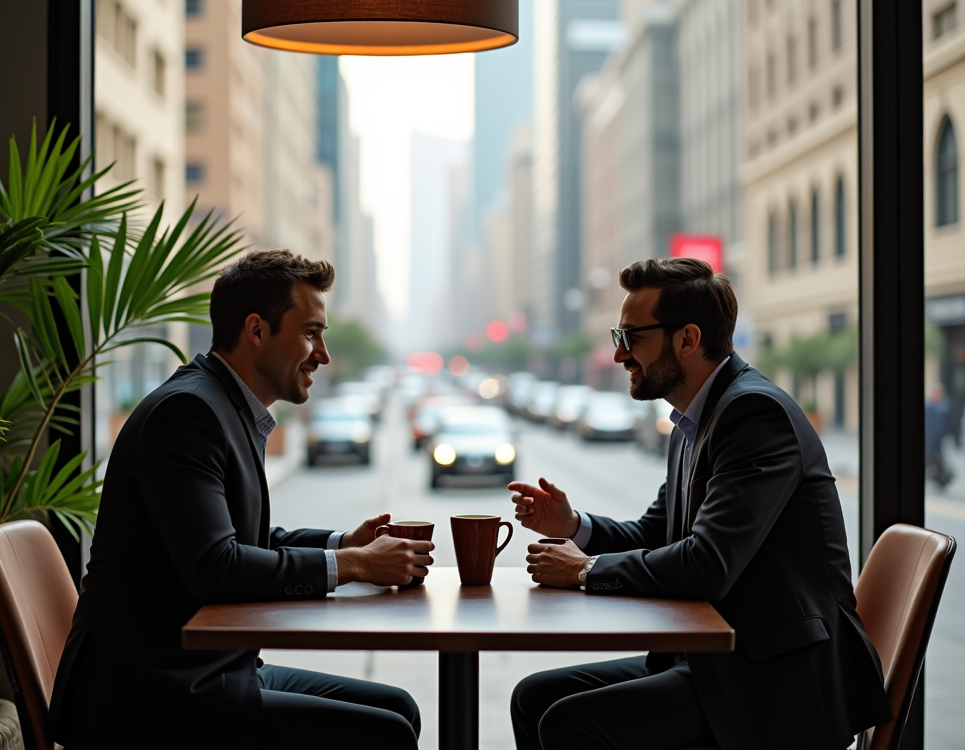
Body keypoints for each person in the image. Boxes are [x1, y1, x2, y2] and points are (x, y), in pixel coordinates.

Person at [50, 250, 432, 750]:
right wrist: (353, 564)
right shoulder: (188, 413)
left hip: (212, 670)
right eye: (311, 333)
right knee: (387, 732)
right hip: (155, 694)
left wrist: (345, 542)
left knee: (398, 707)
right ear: (256, 330)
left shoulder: (220, 404)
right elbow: (216, 565)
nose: (324, 354)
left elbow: (241, 539)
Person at [508, 258, 891, 750]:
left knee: (569, 723)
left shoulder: (755, 415)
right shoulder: (694, 420)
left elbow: (708, 563)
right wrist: (574, 525)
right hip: (714, 662)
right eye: (616, 336)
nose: (620, 354)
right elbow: (658, 532)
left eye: (630, 338)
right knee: (533, 697)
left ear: (687, 340)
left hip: (774, 684)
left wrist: (584, 571)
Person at [925, 383, 954, 488]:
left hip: (939, 438)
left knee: (939, 460)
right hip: (928, 438)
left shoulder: (945, 407)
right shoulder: (927, 406)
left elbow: (950, 423)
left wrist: (951, 436)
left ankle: (940, 480)